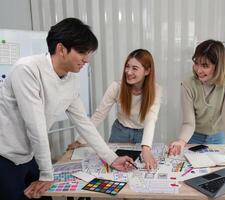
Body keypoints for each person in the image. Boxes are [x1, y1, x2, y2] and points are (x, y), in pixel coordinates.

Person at [0, 18, 135, 200]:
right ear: (61, 49)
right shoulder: (27, 69)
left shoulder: (70, 80)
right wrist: (47, 174)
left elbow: (84, 123)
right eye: (82, 52)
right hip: (5, 157)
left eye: (88, 53)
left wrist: (111, 158)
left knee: (44, 196)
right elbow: (35, 126)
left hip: (30, 155)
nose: (86, 60)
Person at [68, 49, 162, 170]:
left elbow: (151, 119)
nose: (128, 72)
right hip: (120, 132)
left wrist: (146, 148)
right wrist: (80, 140)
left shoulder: (156, 90)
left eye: (135, 68)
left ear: (147, 71)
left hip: (142, 135)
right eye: (127, 67)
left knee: (138, 169)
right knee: (114, 167)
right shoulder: (116, 87)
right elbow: (99, 114)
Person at [168, 39, 225, 163]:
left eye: (205, 65)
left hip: (219, 135)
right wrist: (181, 141)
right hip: (194, 135)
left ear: (218, 66)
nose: (198, 70)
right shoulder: (187, 85)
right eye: (196, 63)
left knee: (222, 174)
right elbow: (189, 123)